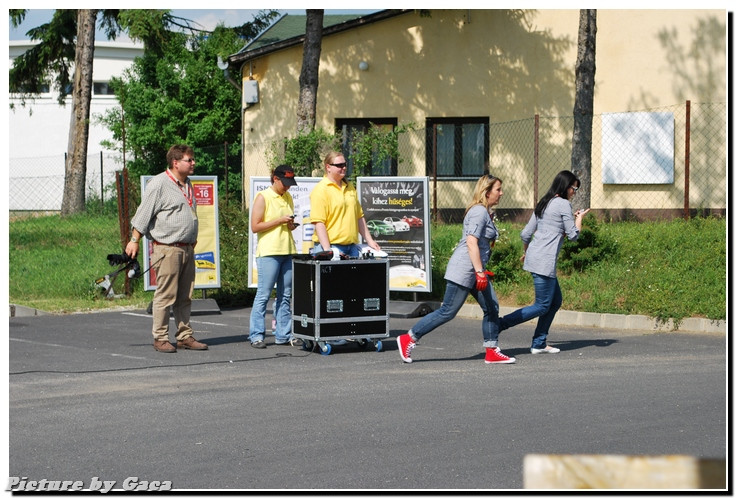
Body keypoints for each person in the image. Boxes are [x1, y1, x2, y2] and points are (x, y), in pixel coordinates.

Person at [396, 174, 516, 365]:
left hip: (475, 269)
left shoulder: (484, 211)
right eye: (498, 189)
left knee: (491, 307)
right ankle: (408, 338)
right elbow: (471, 242)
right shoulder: (479, 212)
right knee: (448, 311)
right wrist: (479, 272)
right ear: (486, 192)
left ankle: (492, 350)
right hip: (465, 270)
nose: (501, 193)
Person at [125, 144, 208, 353]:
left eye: (192, 159)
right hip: (168, 248)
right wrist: (134, 240)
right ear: (175, 162)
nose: (193, 163)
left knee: (185, 296)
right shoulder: (159, 184)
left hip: (186, 248)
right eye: (189, 160)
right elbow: (143, 215)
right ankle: (160, 338)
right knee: (165, 295)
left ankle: (184, 336)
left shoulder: (187, 183)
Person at [498, 170, 591, 354]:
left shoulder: (544, 202)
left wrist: (527, 253)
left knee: (555, 301)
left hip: (535, 258)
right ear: (565, 187)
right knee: (541, 305)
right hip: (545, 262)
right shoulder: (563, 204)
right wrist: (579, 219)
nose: (574, 192)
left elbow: (525, 234)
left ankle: (539, 343)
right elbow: (573, 236)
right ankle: (499, 324)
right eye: (574, 188)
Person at [248, 165, 302, 349]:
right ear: (275, 179)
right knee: (263, 295)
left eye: (290, 184)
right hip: (269, 252)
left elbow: (286, 225)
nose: (287, 187)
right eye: (285, 183)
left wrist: (291, 225)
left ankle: (283, 335)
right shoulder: (263, 196)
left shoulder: (287, 197)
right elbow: (255, 226)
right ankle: (256, 335)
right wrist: (279, 221)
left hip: (287, 249)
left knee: (285, 295)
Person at [309, 151, 381, 258]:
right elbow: (319, 223)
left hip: (352, 247)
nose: (343, 168)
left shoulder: (349, 186)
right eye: (339, 165)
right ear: (328, 167)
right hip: (331, 247)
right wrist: (328, 250)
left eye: (344, 164)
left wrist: (370, 241)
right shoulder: (320, 190)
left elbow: (359, 217)